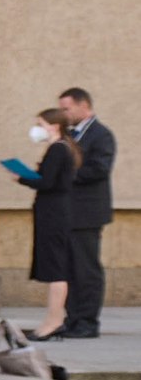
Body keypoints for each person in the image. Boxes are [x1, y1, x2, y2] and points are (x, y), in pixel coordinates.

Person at [59, 86, 114, 337]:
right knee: (70, 269)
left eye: (66, 109)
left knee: (86, 269)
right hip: (69, 213)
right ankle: (72, 319)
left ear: (84, 106)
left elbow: (99, 169)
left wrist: (65, 174)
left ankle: (88, 322)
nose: (63, 114)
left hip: (87, 213)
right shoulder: (71, 135)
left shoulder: (100, 135)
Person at [25, 104, 82, 340]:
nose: (37, 129)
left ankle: (54, 320)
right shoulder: (62, 148)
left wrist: (23, 177)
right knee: (55, 267)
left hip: (53, 214)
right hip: (55, 212)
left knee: (56, 269)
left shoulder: (58, 149)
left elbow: (46, 182)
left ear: (54, 126)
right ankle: (54, 319)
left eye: (41, 124)